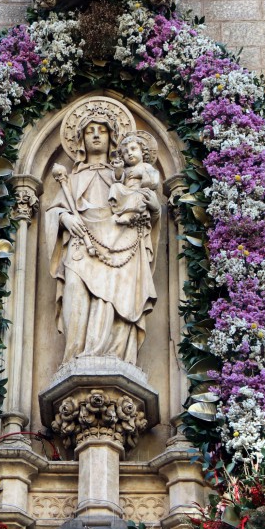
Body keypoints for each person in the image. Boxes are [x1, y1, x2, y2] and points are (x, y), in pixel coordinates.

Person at [46, 109, 160, 366]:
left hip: (121, 250)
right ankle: (75, 357)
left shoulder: (125, 174)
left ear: (112, 139)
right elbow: (54, 210)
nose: (96, 135)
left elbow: (149, 207)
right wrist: (65, 218)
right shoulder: (73, 178)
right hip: (80, 249)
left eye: (103, 130)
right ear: (81, 140)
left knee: (111, 302)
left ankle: (115, 357)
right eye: (89, 130)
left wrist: (148, 205)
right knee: (76, 294)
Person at [108, 131, 160, 226]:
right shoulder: (126, 169)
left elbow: (154, 182)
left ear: (142, 152)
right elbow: (118, 180)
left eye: (133, 149)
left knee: (140, 195)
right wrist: (119, 169)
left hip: (140, 192)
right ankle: (119, 209)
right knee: (115, 186)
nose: (130, 153)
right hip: (127, 193)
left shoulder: (146, 166)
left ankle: (129, 215)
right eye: (125, 152)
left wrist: (141, 173)